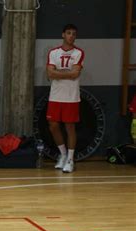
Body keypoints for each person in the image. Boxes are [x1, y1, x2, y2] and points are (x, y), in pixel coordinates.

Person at [46, 24, 85, 173]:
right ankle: (62, 155)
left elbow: (75, 74)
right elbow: (50, 73)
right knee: (53, 126)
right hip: (55, 95)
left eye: (74, 34)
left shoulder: (78, 53)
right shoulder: (53, 52)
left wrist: (58, 73)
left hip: (71, 96)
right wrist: (67, 73)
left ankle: (70, 159)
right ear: (63, 35)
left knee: (70, 127)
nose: (71, 36)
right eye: (68, 33)